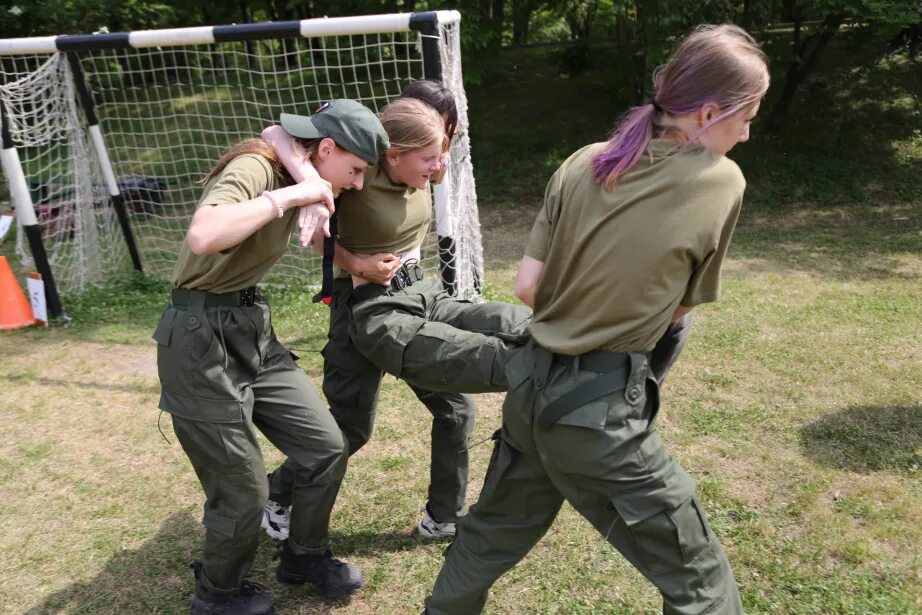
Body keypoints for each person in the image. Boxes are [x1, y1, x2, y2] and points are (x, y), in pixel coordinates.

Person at [424, 24, 770, 615]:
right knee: (701, 578)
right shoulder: (721, 181)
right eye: (746, 116)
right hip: (600, 416)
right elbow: (677, 310)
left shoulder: (585, 160)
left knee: (488, 534)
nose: (748, 131)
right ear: (708, 112)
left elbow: (529, 286)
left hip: (529, 394)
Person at [260, 91, 533, 545]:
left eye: (440, 152)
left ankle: (443, 516)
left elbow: (430, 155)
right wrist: (316, 202)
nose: (437, 164)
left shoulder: (422, 170)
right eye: (428, 156)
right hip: (363, 307)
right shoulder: (354, 176)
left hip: (418, 291)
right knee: (350, 429)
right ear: (393, 154)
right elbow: (277, 135)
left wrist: (434, 164)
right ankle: (274, 494)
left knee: (456, 408)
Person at [152, 99, 389, 615]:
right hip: (199, 340)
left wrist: (314, 198)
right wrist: (293, 195)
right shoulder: (257, 167)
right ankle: (217, 595)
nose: (357, 183)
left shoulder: (295, 166)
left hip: (251, 329)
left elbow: (280, 136)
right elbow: (204, 234)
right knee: (243, 490)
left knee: (327, 445)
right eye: (353, 170)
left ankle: (303, 557)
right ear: (325, 148)